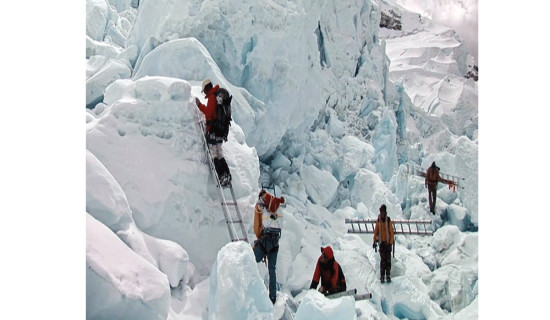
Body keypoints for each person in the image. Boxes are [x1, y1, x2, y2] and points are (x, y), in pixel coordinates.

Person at [195, 78, 231, 186]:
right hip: (222, 131)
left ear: (207, 87)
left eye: (204, 90)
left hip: (214, 131)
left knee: (214, 154)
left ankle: (221, 175)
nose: (204, 92)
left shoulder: (212, 98)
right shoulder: (219, 97)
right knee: (220, 153)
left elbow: (209, 113)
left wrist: (199, 105)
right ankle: (227, 174)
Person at [253, 189, 286, 304]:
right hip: (275, 242)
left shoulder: (263, 206)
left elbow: (257, 225)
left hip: (266, 240)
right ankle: (273, 297)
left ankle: (250, 291)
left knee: (252, 259)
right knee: (272, 269)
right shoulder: (278, 206)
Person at [373, 204, 394, 283]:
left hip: (387, 243)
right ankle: (382, 276)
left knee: (388, 260)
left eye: (382, 211)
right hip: (382, 244)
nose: (381, 213)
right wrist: (374, 241)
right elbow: (376, 232)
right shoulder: (378, 221)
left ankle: (388, 275)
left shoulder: (388, 221)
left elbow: (391, 233)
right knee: (383, 260)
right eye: (381, 211)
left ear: (385, 212)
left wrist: (390, 243)